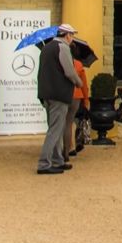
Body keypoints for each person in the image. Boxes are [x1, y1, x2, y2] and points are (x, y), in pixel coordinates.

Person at [36, 25, 81, 175]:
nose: (72, 38)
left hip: (46, 94)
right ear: (67, 35)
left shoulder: (46, 48)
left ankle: (58, 160)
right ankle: (44, 163)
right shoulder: (63, 48)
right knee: (55, 130)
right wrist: (78, 82)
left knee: (55, 127)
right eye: (72, 35)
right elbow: (69, 71)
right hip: (58, 94)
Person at [66, 48, 88, 158]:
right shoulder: (79, 64)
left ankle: (69, 147)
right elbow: (84, 84)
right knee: (71, 121)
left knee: (66, 122)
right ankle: (72, 146)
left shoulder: (61, 64)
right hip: (77, 96)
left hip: (64, 95)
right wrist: (86, 100)